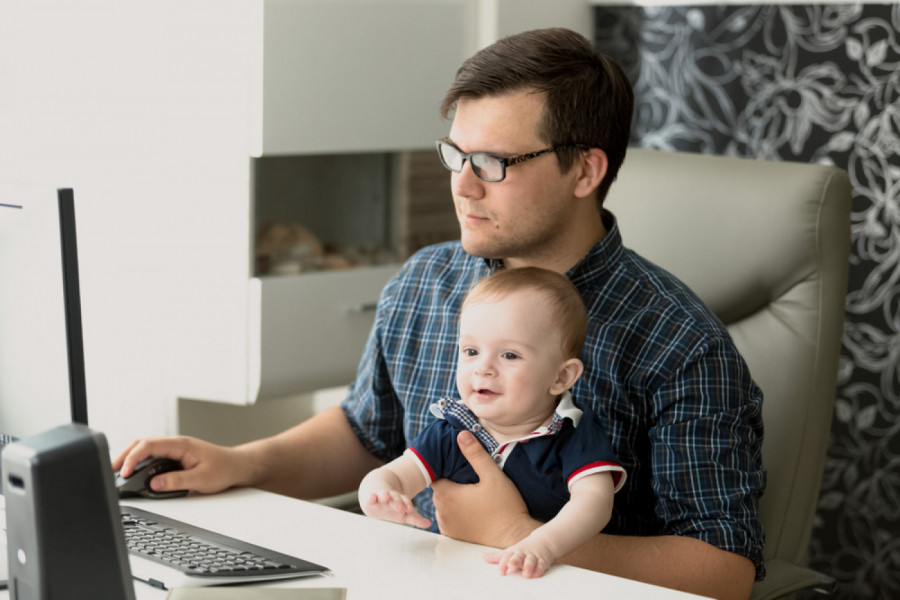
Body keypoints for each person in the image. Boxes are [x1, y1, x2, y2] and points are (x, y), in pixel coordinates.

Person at [113, 27, 765, 600]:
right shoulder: (426, 280)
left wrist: (517, 537)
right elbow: (366, 432)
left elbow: (726, 570)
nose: (461, 183)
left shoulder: (680, 341)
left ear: (585, 170)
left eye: (492, 163)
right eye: (456, 154)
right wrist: (237, 463)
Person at [358, 267, 626, 578]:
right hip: (450, 575)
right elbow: (397, 474)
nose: (483, 367)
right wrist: (379, 494)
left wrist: (541, 544)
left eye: (510, 355)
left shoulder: (573, 431)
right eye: (471, 351)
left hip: (541, 582)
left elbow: (594, 502)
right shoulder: (452, 429)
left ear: (561, 376)